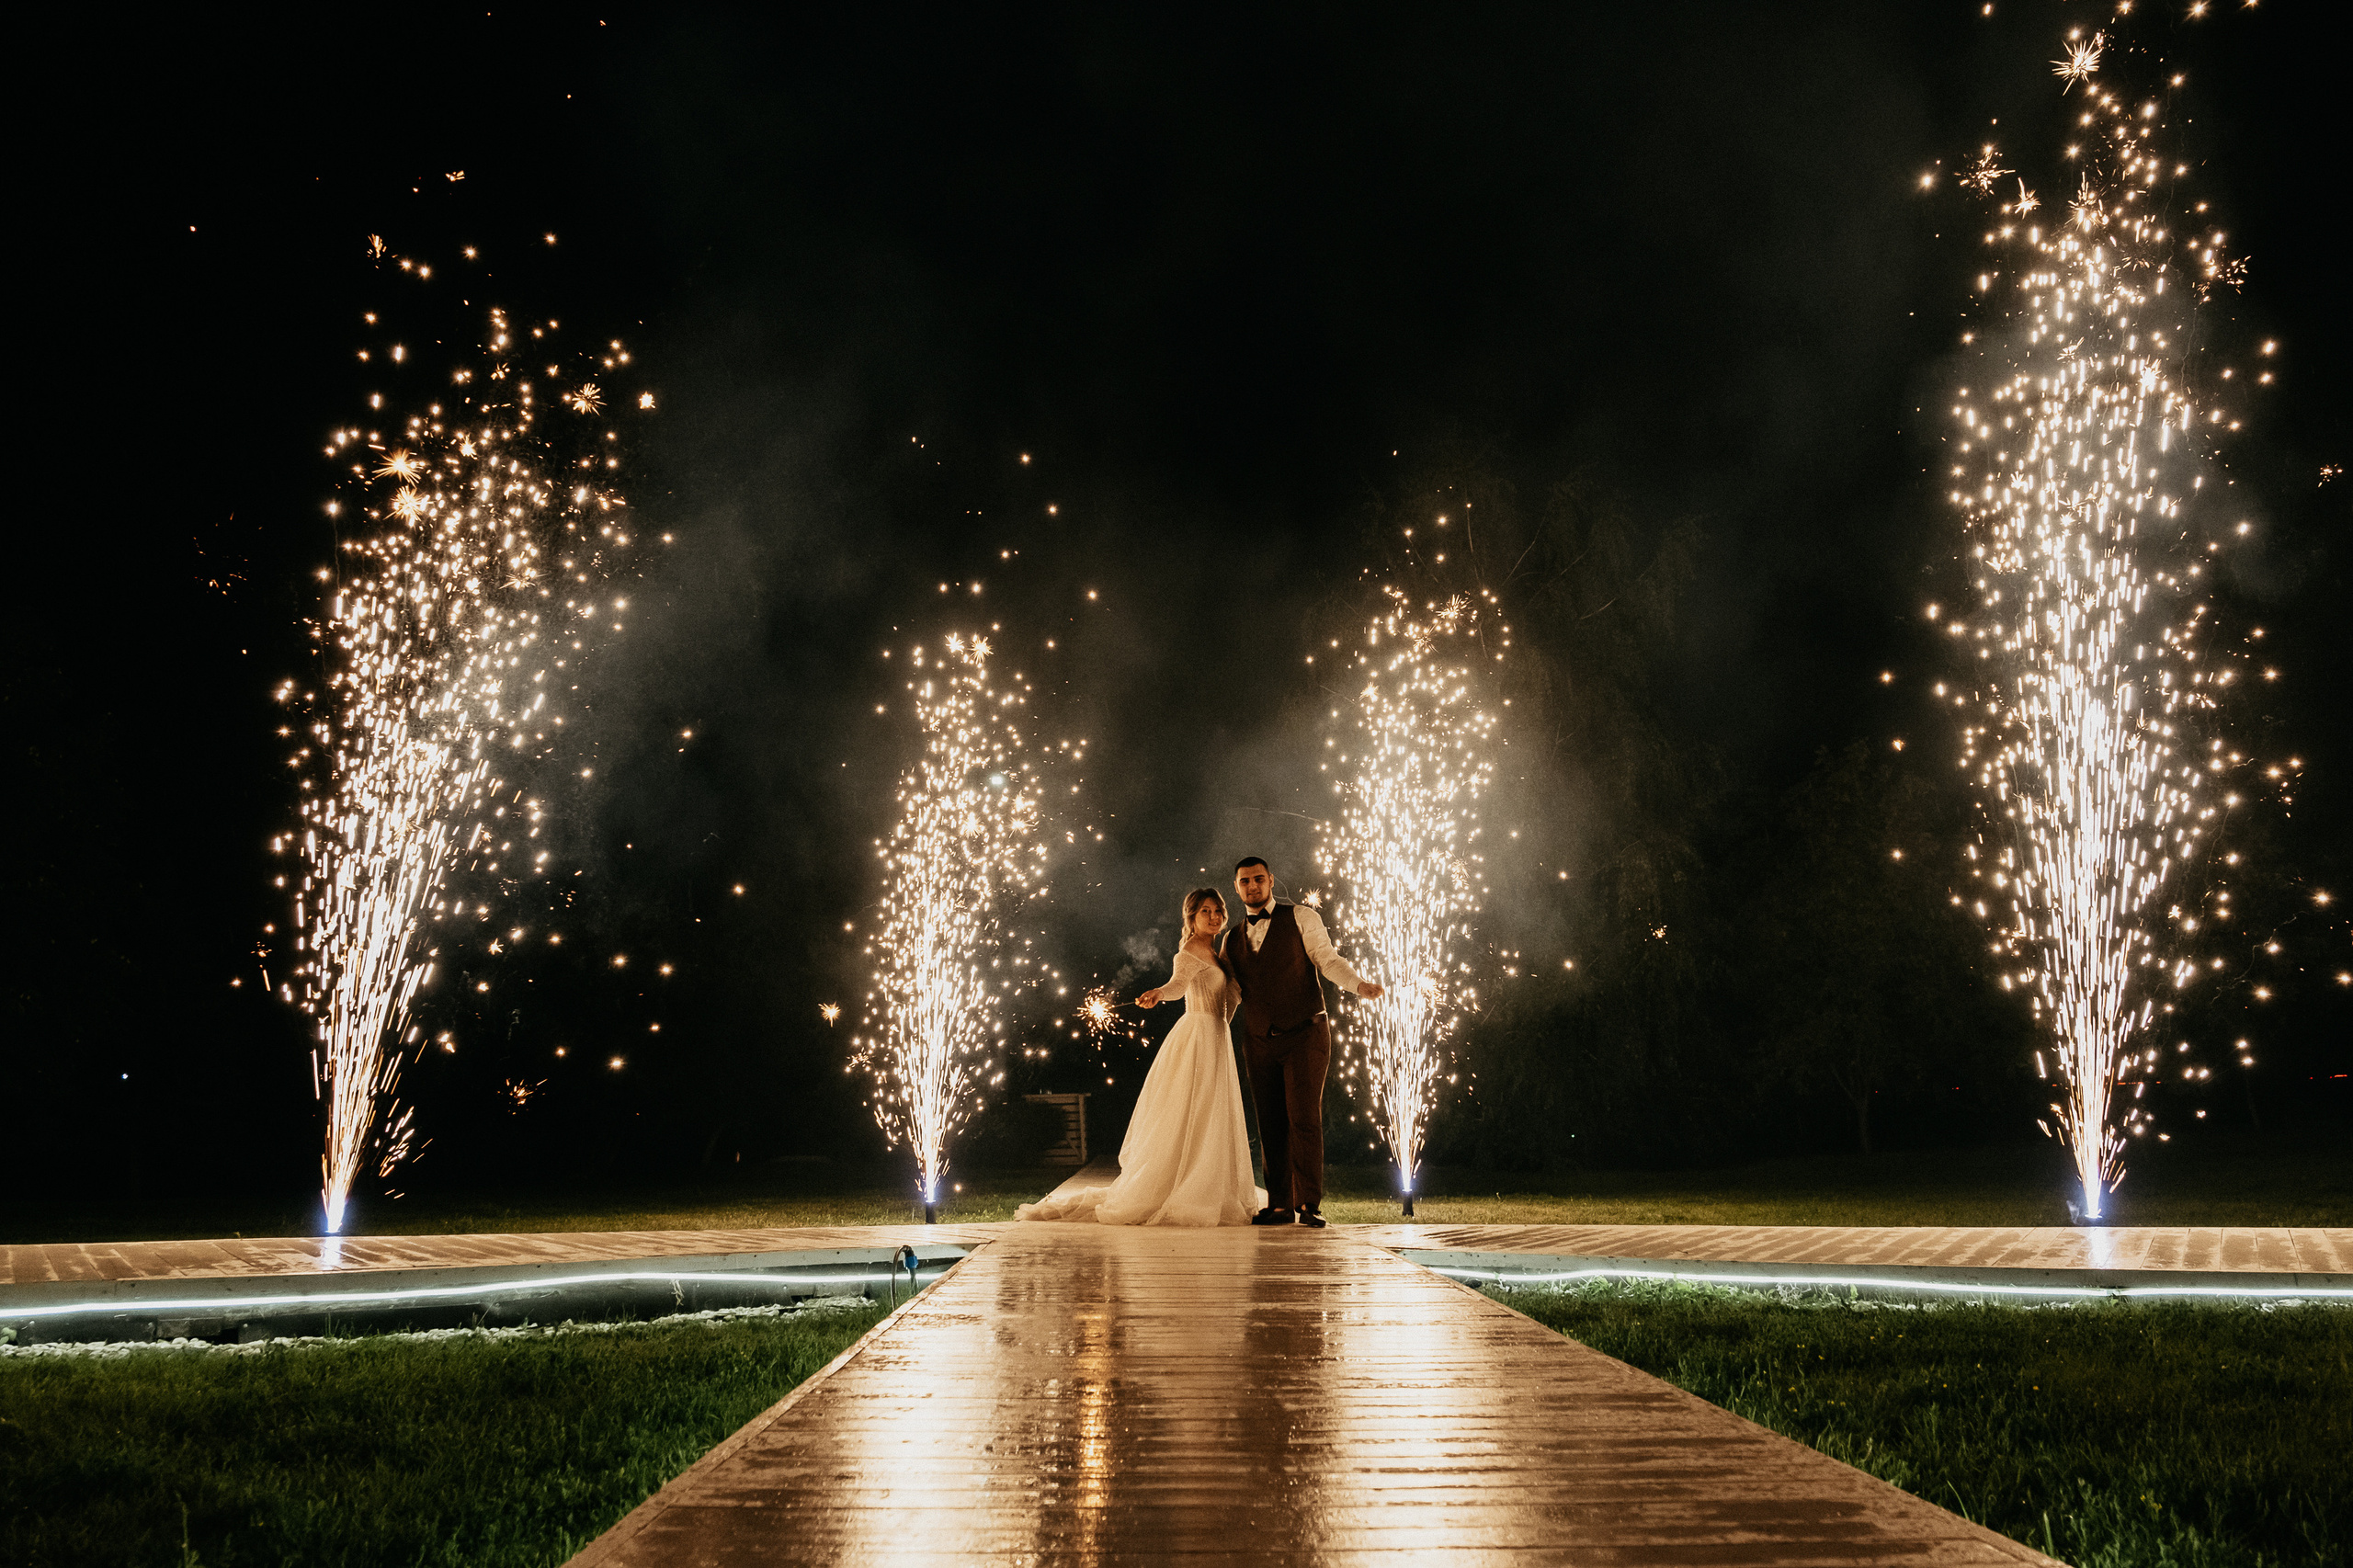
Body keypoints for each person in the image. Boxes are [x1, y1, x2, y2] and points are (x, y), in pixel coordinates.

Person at [1015, 888, 1260, 1226]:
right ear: (1192, 917)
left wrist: (1226, 1025)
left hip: (1216, 1037)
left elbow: (1230, 999)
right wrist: (1160, 993)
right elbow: (1177, 985)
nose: (1214, 916)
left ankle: (1213, 1183)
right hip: (1198, 1037)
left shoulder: (1219, 954)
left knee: (1211, 1112)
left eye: (1218, 910)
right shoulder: (1189, 951)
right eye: (1206, 911)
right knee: (1193, 1109)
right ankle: (1184, 1185)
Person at [1221, 857, 1382, 1229]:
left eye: (1258, 879)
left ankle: (1309, 1203)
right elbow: (1230, 993)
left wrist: (1358, 985)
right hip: (1258, 1040)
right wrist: (1211, 1030)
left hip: (1305, 1033)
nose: (1252, 886)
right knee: (1270, 1123)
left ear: (1271, 880)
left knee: (1303, 1119)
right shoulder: (1231, 939)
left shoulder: (1302, 917)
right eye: (1244, 881)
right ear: (1237, 888)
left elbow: (1327, 960)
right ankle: (1279, 1205)